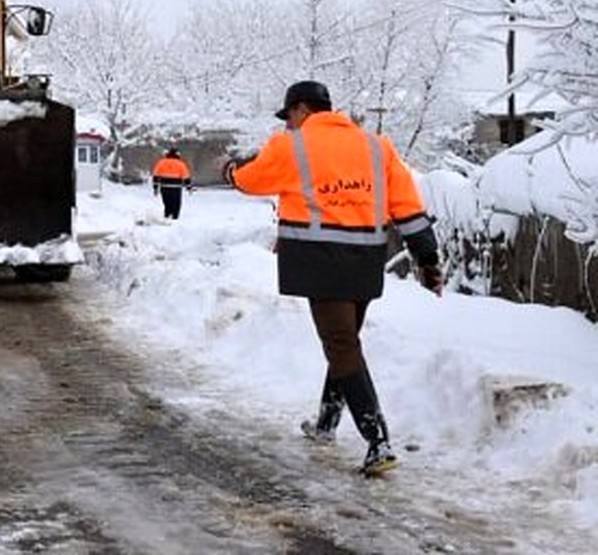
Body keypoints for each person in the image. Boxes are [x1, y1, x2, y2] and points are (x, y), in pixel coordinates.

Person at [222, 80, 442, 477]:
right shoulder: (378, 146)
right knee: (345, 343)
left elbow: (252, 181)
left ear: (302, 110)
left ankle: (379, 443)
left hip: (319, 259)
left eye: (289, 116)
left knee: (341, 346)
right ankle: (326, 423)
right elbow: (408, 208)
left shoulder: (291, 145)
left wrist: (231, 172)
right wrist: (429, 260)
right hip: (365, 261)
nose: (288, 124)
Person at [151, 147, 192, 220]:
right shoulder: (181, 164)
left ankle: (167, 216)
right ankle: (175, 218)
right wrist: (189, 187)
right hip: (176, 187)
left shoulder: (161, 162)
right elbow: (186, 177)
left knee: (167, 204)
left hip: (164, 186)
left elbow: (155, 175)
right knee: (176, 204)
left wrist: (155, 188)